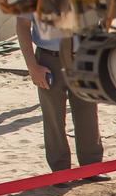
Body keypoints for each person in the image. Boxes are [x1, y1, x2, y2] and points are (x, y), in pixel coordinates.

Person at [16, 15, 103, 186]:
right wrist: (32, 67)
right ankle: (60, 172)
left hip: (84, 57)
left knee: (88, 114)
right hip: (49, 60)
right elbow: (22, 25)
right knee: (53, 116)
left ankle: (92, 168)